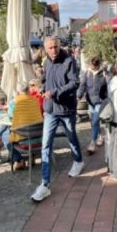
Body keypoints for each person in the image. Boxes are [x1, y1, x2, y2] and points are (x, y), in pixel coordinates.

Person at [31, 37, 83, 203]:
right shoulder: (47, 62)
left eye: (55, 47)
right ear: (45, 49)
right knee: (46, 144)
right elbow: (46, 79)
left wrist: (55, 92)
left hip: (66, 109)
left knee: (71, 137)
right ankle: (45, 184)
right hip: (51, 110)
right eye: (50, 48)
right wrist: (42, 87)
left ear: (60, 46)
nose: (53, 50)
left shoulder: (69, 61)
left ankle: (78, 161)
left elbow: (75, 83)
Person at [1, 83, 43, 171]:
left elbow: (11, 118)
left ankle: (19, 160)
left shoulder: (14, 102)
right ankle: (32, 157)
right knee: (28, 127)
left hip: (24, 141)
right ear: (28, 90)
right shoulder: (35, 100)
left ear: (18, 91)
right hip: (40, 139)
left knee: (5, 136)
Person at [76, 56, 108, 155]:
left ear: (98, 65)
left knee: (94, 121)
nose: (92, 67)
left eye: (94, 66)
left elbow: (108, 87)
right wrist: (78, 96)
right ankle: (99, 135)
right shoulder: (86, 73)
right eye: (91, 65)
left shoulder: (103, 74)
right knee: (94, 121)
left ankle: (92, 143)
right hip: (90, 102)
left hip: (99, 101)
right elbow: (82, 86)